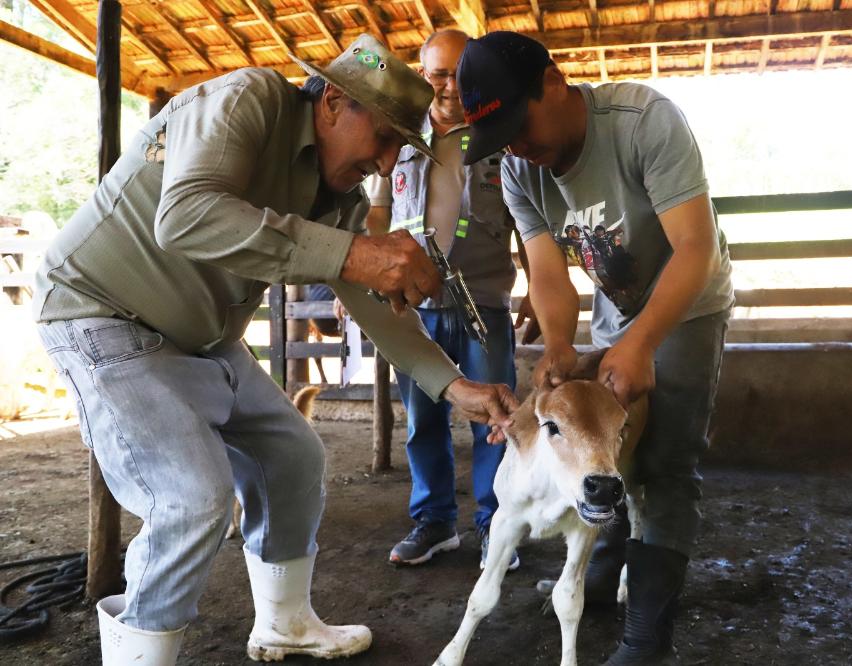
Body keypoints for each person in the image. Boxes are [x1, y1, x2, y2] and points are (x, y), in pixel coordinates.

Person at [33, 34, 516, 665]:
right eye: (386, 137)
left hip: (203, 335)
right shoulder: (247, 100)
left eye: (403, 145)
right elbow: (185, 217)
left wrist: (455, 387)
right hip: (103, 312)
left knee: (293, 456)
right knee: (190, 496)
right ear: (335, 101)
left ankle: (285, 624)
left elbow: (370, 303)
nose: (387, 161)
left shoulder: (337, 198)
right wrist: (354, 252)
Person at [457, 32, 734, 665]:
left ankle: (646, 641)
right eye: (502, 141)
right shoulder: (521, 170)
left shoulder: (643, 123)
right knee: (605, 443)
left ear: (552, 84)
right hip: (617, 306)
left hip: (688, 301)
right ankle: (598, 577)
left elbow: (696, 248)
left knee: (663, 460)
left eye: (520, 126)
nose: (518, 149)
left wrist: (640, 344)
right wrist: (558, 342)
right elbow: (548, 274)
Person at [365, 29, 529, 570]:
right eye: (437, 73)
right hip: (416, 307)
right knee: (423, 419)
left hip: (485, 302)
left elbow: (528, 223)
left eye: (459, 73)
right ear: (421, 73)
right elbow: (377, 214)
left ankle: (494, 525)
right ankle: (434, 521)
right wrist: (368, 276)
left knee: (495, 417)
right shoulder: (400, 137)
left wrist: (535, 288)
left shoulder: (497, 139)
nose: (449, 85)